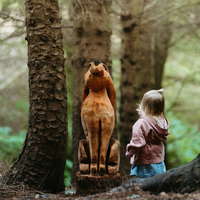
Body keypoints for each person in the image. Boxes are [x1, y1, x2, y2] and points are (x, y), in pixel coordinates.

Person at [125, 89, 169, 178]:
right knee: (156, 184)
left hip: (144, 162)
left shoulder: (141, 123)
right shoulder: (163, 121)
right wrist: (143, 115)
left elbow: (137, 143)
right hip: (158, 160)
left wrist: (129, 153)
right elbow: (151, 121)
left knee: (141, 187)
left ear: (144, 105)